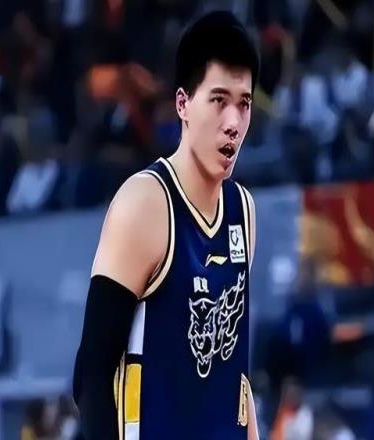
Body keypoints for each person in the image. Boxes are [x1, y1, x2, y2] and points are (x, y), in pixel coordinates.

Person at [73, 10, 260, 440]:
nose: (233, 123)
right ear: (182, 104)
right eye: (219, 100)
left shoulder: (243, 211)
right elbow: (92, 375)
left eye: (244, 104)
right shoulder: (145, 203)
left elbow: (236, 376)